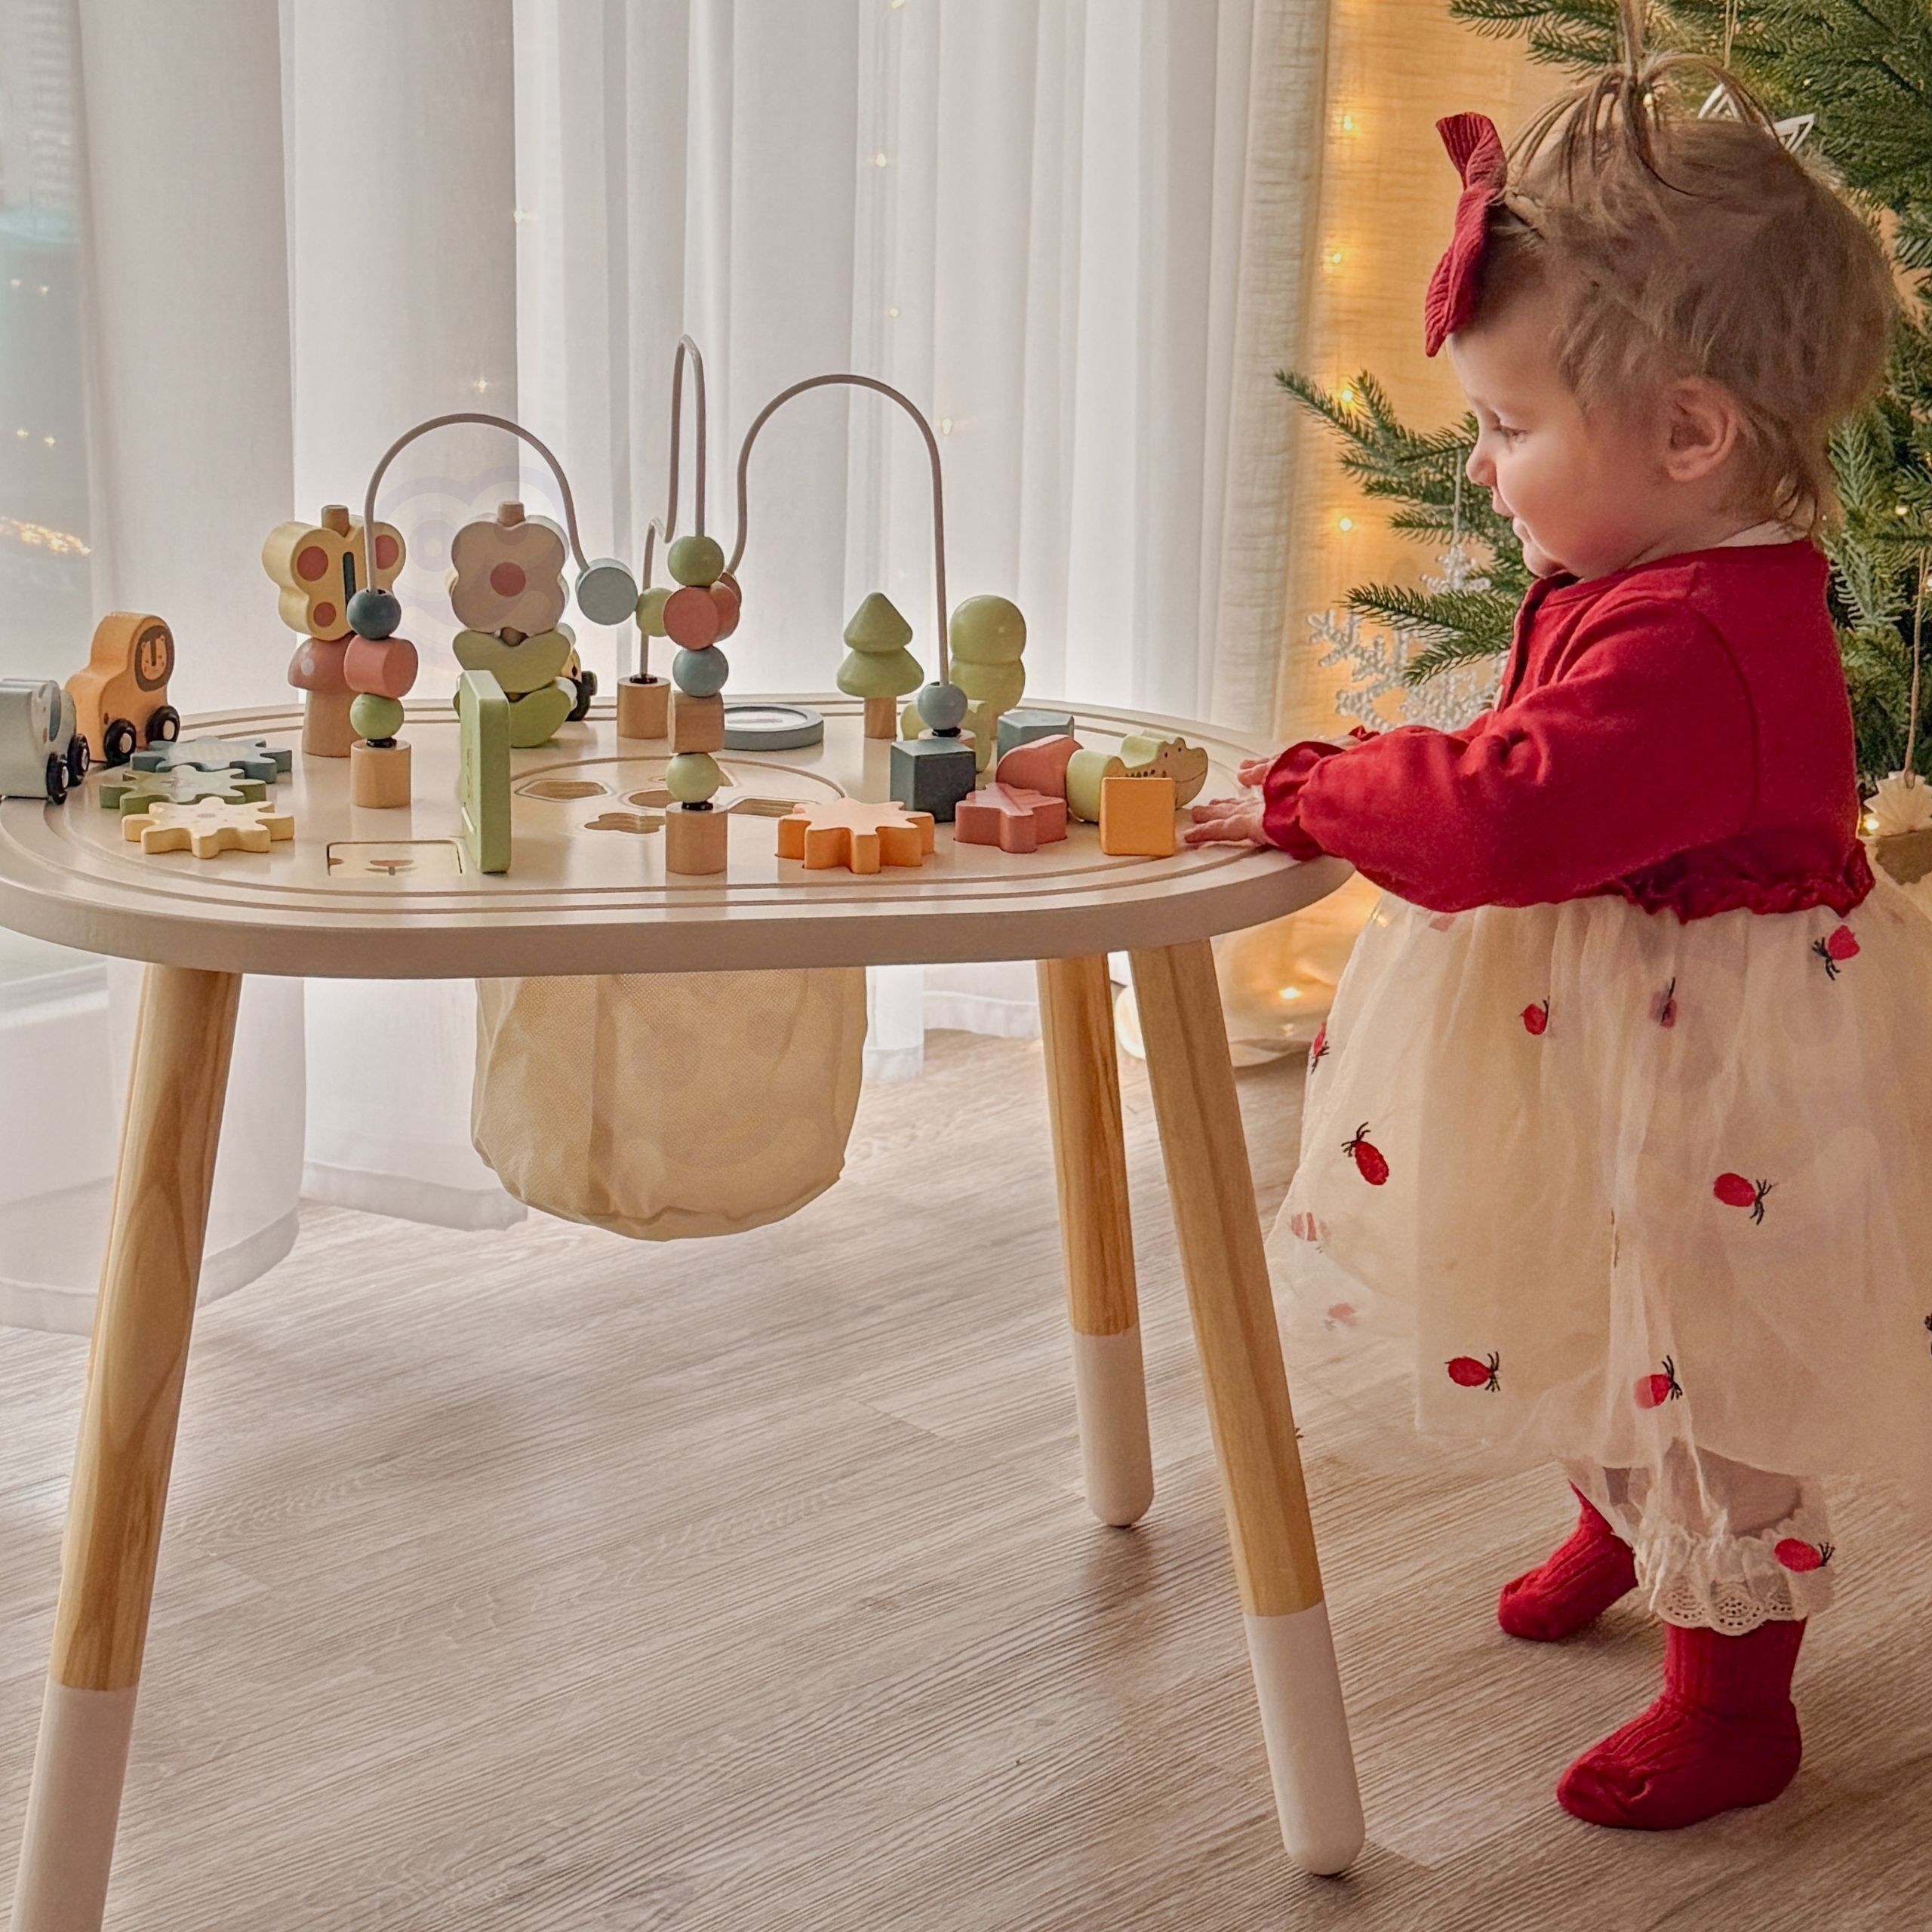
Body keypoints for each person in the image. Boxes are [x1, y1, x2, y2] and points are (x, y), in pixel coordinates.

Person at [1186, 10, 1916, 1832]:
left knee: (1702, 1349)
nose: (1481, 467)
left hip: (1714, 1066)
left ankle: (1731, 1690)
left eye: (1507, 428)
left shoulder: (1700, 637)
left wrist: (1313, 788)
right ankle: (1617, 1510)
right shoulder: (1656, 570)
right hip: (1616, 1023)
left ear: (1686, 432)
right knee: (1587, 1285)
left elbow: (1508, 809)